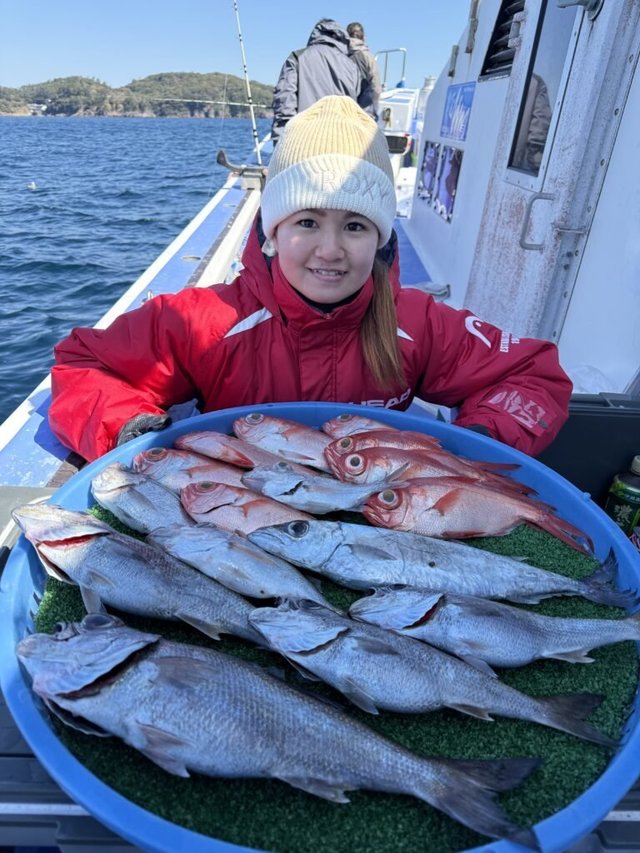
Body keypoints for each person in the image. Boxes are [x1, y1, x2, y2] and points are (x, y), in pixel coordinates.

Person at [49, 96, 572, 462]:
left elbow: (533, 375)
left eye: (354, 225)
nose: (330, 249)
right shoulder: (200, 322)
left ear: (382, 239)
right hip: (239, 507)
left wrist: (476, 444)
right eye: (306, 222)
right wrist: (129, 428)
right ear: (272, 232)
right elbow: (83, 364)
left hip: (380, 509)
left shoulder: (420, 324)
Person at [271, 19, 360, 146]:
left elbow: (284, 106)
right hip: (342, 147)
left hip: (304, 145)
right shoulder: (353, 68)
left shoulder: (297, 57)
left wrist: (281, 149)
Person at [346, 21, 382, 120]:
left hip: (344, 109)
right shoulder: (367, 57)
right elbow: (376, 88)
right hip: (363, 111)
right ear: (363, 37)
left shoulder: (340, 55)